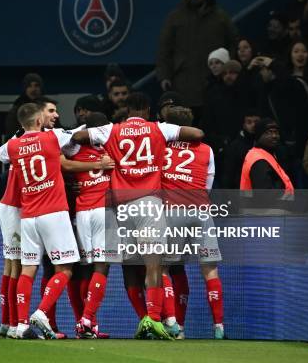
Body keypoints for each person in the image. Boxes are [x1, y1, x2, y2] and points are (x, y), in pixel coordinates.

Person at [71, 92, 205, 340]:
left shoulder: (111, 130)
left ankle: (97, 318)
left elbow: (78, 136)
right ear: (146, 109)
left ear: (128, 108)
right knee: (154, 264)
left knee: (130, 268)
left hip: (122, 208)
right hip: (149, 204)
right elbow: (197, 135)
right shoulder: (158, 128)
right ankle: (154, 318)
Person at [0, 103, 81, 340]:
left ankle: (21, 324)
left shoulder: (13, 145)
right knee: (65, 268)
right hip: (53, 212)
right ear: (38, 121)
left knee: (28, 268)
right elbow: (80, 135)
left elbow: (0, 154)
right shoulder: (52, 137)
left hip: (28, 216)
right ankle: (42, 312)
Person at [160, 106, 224, 340]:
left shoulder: (161, 145)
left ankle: (174, 326)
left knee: (163, 267)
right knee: (210, 269)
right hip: (201, 210)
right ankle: (219, 327)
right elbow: (208, 183)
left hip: (170, 210)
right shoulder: (206, 149)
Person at [156, 0, 238, 115]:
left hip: (214, 81)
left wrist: (227, 69)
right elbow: (164, 49)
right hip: (182, 82)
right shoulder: (175, 17)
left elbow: (234, 41)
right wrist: (164, 76)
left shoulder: (220, 17)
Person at [66, 112, 115, 338]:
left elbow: (60, 158)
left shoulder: (74, 151)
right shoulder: (113, 149)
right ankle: (86, 319)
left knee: (86, 268)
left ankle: (89, 326)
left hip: (82, 213)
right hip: (103, 212)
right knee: (101, 266)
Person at [240, 118, 294, 199]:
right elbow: (265, 195)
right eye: (268, 132)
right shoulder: (258, 159)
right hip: (264, 210)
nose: (274, 136)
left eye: (276, 132)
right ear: (259, 136)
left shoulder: (268, 153)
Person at [221, 111, 261, 189]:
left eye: (256, 122)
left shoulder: (266, 143)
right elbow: (228, 174)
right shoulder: (235, 146)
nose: (253, 125)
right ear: (244, 125)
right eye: (249, 122)